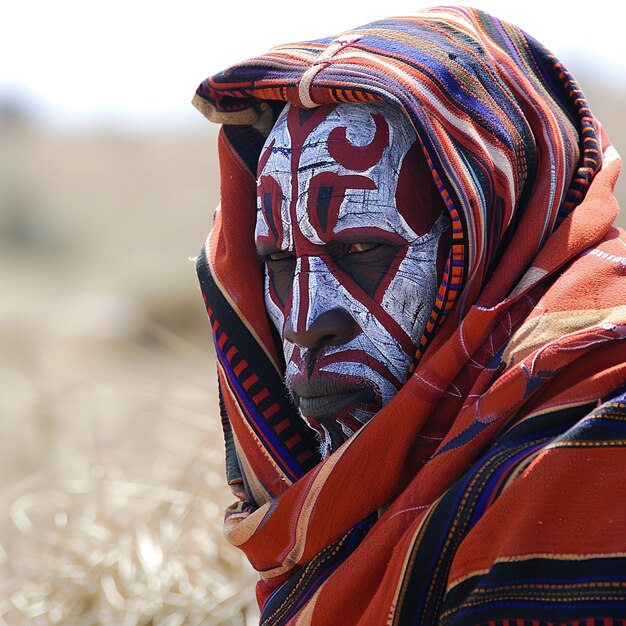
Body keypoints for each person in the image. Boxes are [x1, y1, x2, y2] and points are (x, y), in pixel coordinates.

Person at [193, 6, 626, 624]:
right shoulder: (354, 513)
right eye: (280, 262)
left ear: (488, 233)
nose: (303, 319)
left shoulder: (598, 432)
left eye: (362, 249)